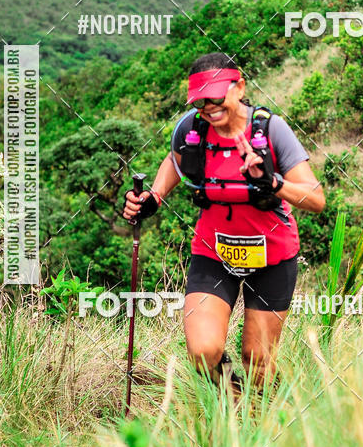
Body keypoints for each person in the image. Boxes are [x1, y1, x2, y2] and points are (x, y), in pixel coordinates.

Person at [123, 53, 325, 392]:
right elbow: (174, 161)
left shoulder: (271, 130)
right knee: (203, 351)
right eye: (200, 101)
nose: (209, 107)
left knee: (257, 359)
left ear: (240, 87)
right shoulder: (192, 129)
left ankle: (261, 420)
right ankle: (231, 406)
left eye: (216, 97)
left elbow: (316, 199)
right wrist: (153, 198)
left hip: (272, 257)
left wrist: (272, 182)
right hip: (214, 252)